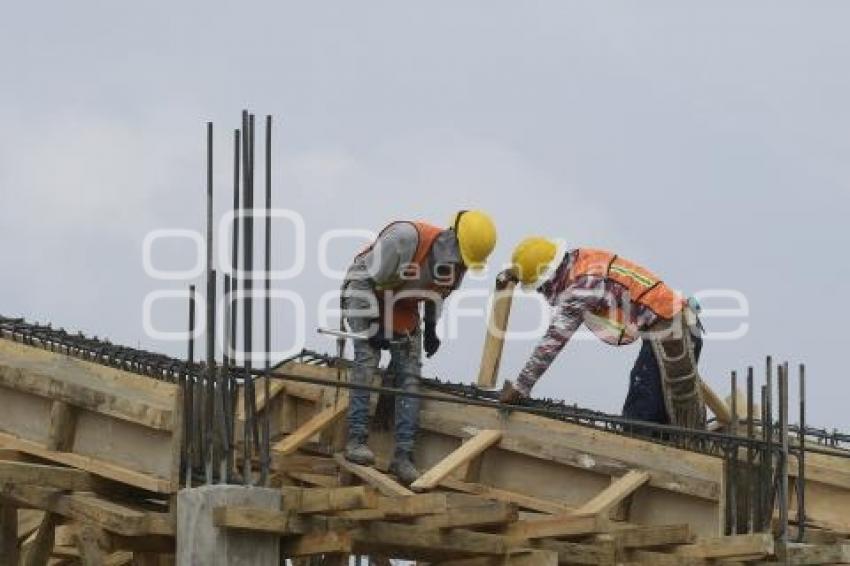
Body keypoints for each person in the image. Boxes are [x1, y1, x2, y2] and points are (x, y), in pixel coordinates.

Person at [341, 211, 497, 484]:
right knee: (367, 360)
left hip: (403, 304)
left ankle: (403, 457)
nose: (460, 265)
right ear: (452, 239)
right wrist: (370, 328)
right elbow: (365, 279)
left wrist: (432, 327)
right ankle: (356, 441)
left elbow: (436, 294)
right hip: (366, 292)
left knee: (410, 377)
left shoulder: (457, 265)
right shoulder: (404, 239)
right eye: (461, 257)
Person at [499, 237, 705, 428]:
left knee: (642, 412)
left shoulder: (581, 287)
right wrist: (515, 273)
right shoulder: (580, 261)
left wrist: (521, 387)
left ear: (550, 278)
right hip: (675, 323)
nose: (542, 292)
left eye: (540, 287)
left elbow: (552, 343)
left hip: (671, 331)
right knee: (656, 409)